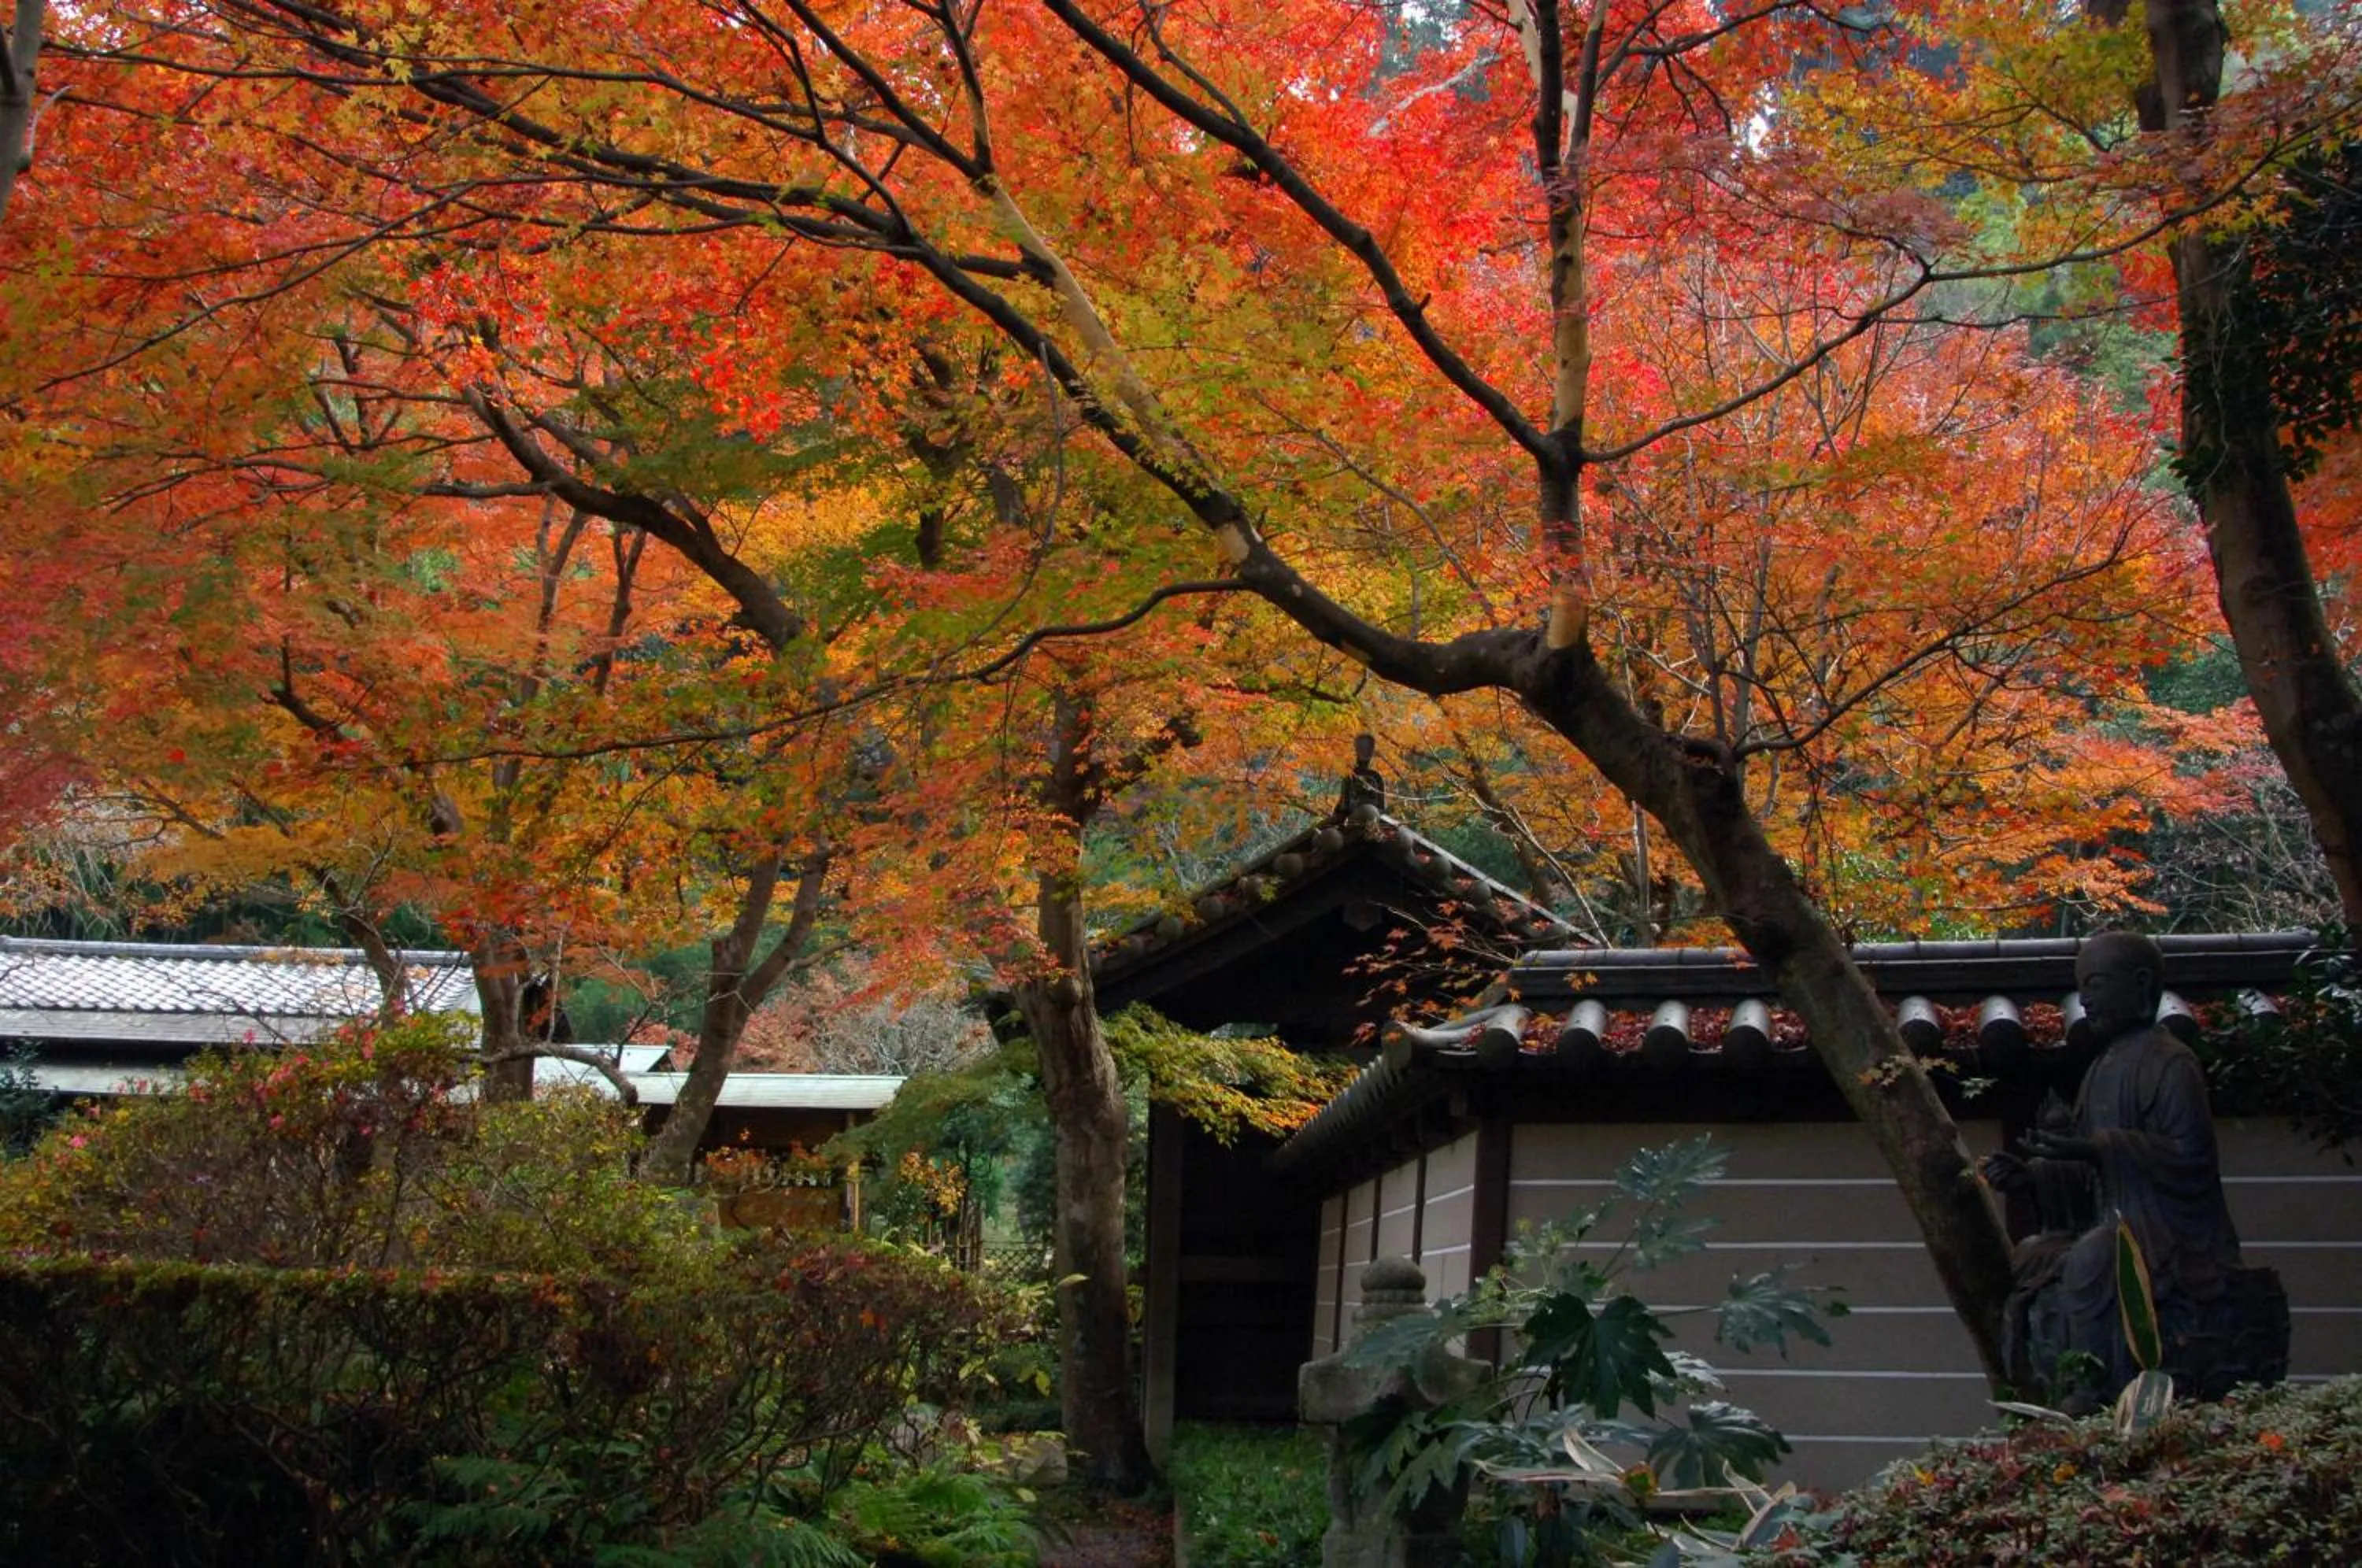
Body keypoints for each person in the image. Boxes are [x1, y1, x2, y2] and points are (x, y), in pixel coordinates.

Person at [1983, 931, 2273, 1403]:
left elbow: (2189, 1156)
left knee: (2093, 1260)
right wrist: (2035, 1176)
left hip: (2163, 1226)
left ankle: (2097, 1385)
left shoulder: (2171, 1063)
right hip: (2113, 1215)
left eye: (2097, 984)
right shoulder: (2101, 1068)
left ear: (2141, 985)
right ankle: (2048, 1383)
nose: (2087, 999)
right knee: (2034, 1253)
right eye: (2083, 986)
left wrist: (2101, 1146)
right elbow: (2091, 1172)